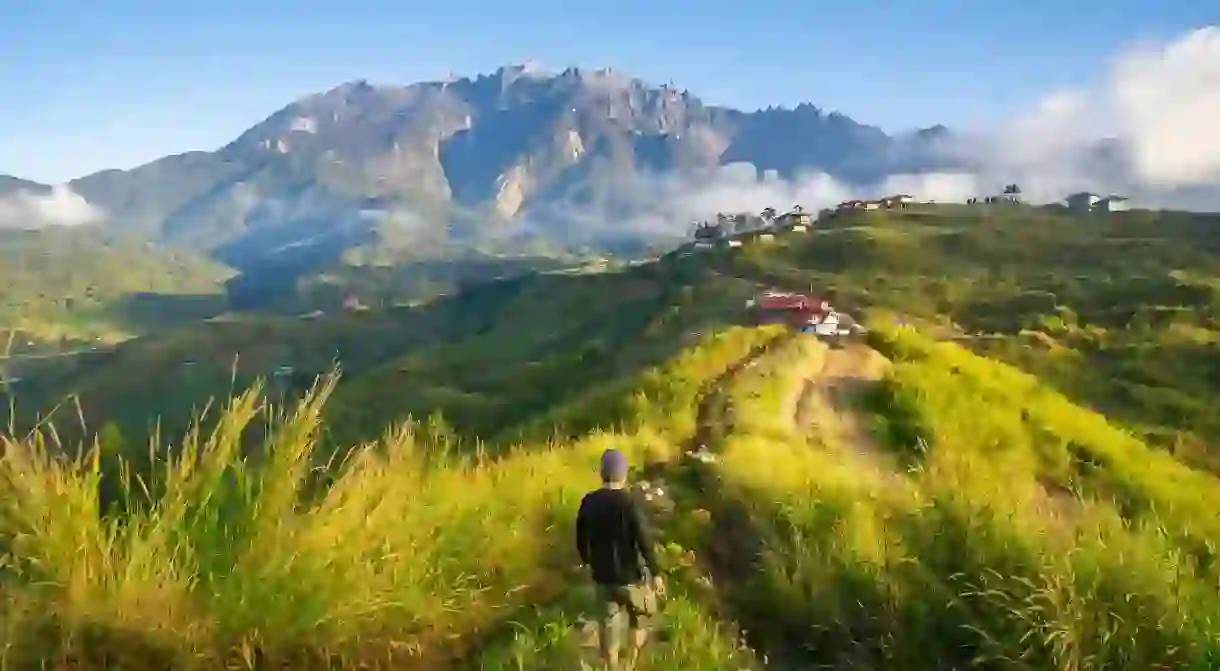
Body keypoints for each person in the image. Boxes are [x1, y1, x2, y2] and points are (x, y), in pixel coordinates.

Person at [576, 448, 666, 670]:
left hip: (603, 577)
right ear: (623, 474)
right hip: (631, 577)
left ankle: (612, 665)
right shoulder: (630, 503)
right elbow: (643, 538)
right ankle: (631, 662)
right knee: (641, 617)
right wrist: (656, 572)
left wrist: (587, 560)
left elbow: (580, 537)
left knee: (608, 624)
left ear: (602, 473)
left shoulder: (589, 502)